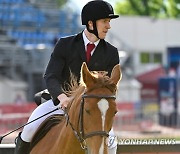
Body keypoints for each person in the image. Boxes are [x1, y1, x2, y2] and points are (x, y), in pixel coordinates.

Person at [14, 0, 119, 154]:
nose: (108, 26)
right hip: (60, 102)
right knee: (29, 128)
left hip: (92, 108)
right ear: (90, 23)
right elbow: (51, 75)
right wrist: (62, 98)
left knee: (111, 143)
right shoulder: (65, 44)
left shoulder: (111, 52)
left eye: (109, 22)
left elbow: (109, 87)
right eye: (105, 21)